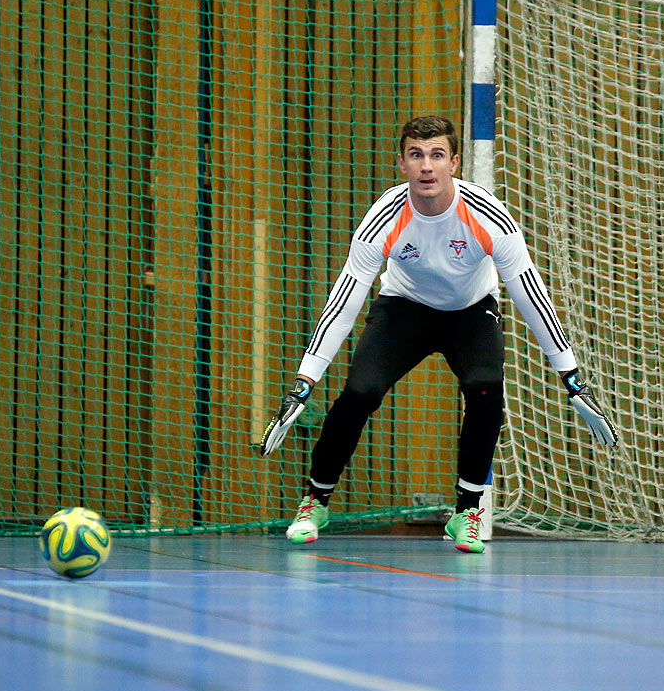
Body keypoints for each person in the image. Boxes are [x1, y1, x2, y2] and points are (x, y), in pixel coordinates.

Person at [259, 114, 617, 553]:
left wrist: (571, 376)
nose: (426, 166)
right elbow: (344, 301)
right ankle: (315, 500)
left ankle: (466, 513)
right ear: (402, 164)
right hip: (403, 311)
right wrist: (304, 382)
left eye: (436, 155)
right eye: (416, 155)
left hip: (470, 313)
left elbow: (531, 297)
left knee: (486, 390)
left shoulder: (489, 218)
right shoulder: (383, 221)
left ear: (454, 163)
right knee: (359, 393)